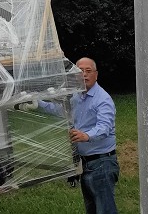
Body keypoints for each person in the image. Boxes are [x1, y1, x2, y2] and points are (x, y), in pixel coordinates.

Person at [39, 57, 119, 214]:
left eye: (88, 71)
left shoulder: (103, 99)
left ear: (96, 74)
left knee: (105, 210)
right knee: (93, 209)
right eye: (80, 71)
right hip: (86, 164)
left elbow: (104, 127)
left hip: (102, 163)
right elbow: (62, 111)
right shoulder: (77, 97)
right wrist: (39, 104)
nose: (84, 75)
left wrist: (86, 136)